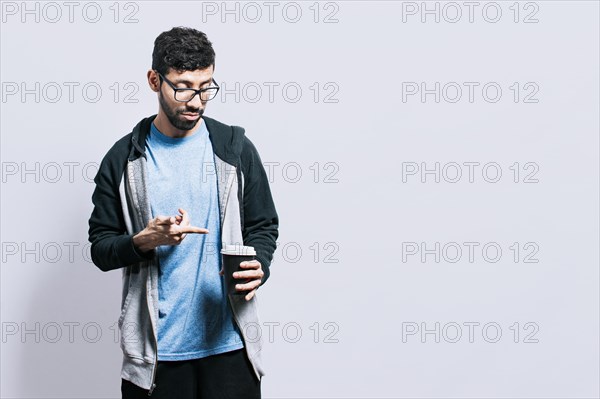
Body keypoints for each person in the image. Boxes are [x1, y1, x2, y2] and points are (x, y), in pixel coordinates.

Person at [87, 26, 279, 398]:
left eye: (206, 87)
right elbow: (100, 249)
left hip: (231, 348)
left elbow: (263, 225)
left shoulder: (235, 149)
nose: (197, 100)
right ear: (154, 80)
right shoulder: (122, 160)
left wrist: (261, 264)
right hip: (156, 358)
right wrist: (143, 241)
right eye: (183, 87)